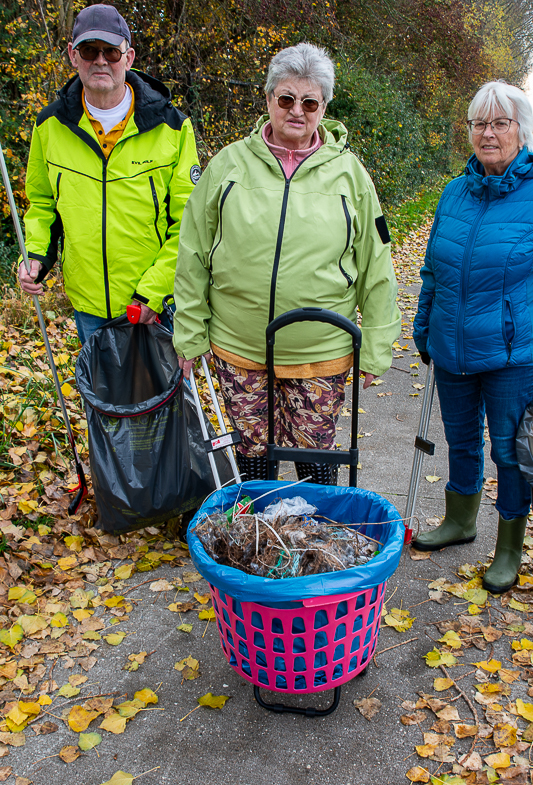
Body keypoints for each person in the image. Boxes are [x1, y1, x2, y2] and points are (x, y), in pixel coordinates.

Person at [172, 43, 400, 486]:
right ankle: (259, 537)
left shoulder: (350, 175)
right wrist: (189, 330)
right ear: (269, 99)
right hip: (238, 346)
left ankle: (313, 539)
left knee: (316, 460)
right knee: (252, 457)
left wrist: (375, 346)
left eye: (309, 102)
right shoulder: (229, 165)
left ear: (324, 107)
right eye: (286, 99)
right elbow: (193, 251)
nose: (297, 111)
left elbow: (377, 266)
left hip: (320, 352)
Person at [411, 81, 533, 593]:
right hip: (452, 346)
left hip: (514, 353)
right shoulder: (455, 192)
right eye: (479, 124)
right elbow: (433, 270)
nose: (488, 134)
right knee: (462, 440)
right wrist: (424, 324)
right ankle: (460, 521)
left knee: (510, 450)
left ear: (522, 131)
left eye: (500, 123)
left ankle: (509, 547)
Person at [18, 3, 200, 344]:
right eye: (89, 50)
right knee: (102, 397)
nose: (100, 60)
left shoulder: (171, 127)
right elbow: (41, 204)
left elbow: (190, 224)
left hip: (154, 306)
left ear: (128, 58)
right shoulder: (50, 126)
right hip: (89, 307)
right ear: (73, 56)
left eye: (111, 52)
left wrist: (153, 292)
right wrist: (37, 258)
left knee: (167, 398)